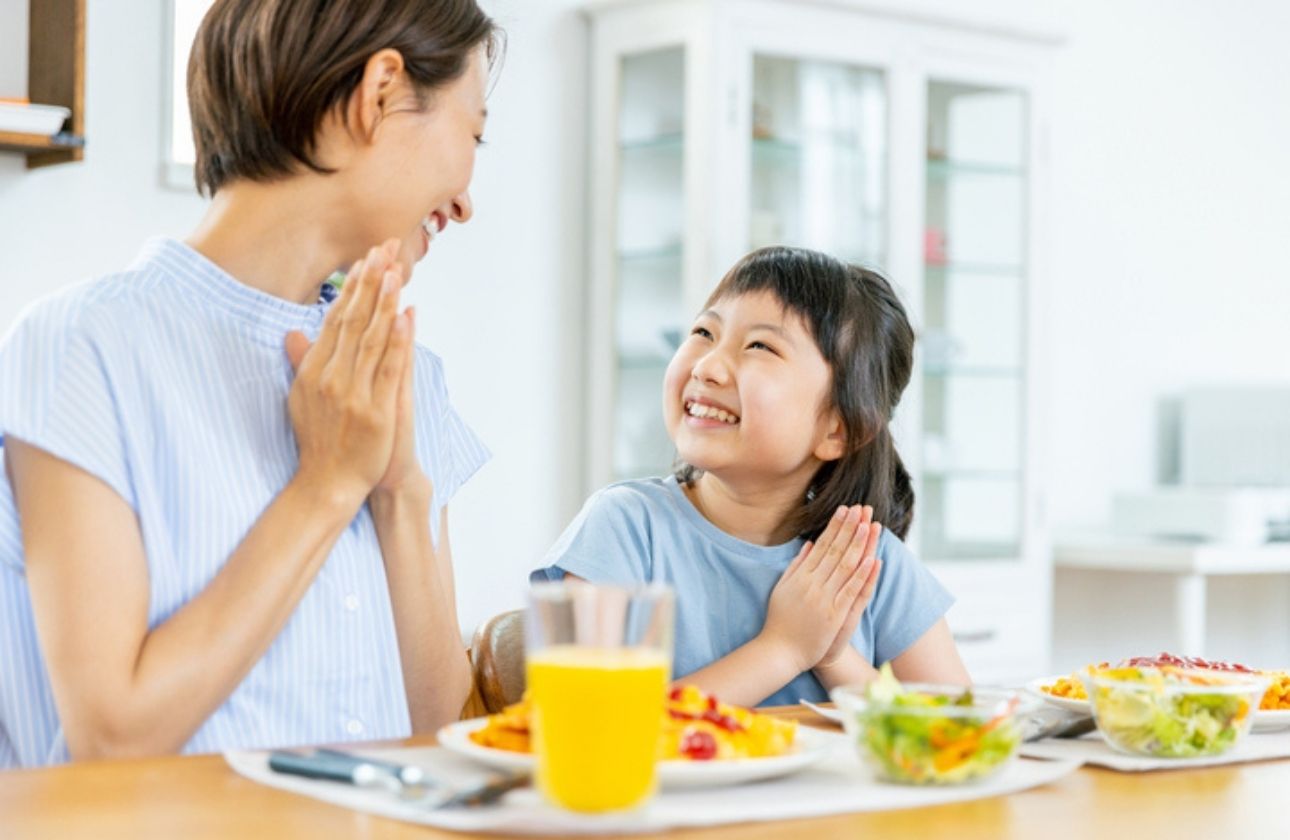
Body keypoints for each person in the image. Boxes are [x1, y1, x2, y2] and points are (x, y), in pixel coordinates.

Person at [0, 0, 500, 768]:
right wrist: (327, 486)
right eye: (474, 132)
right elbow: (113, 737)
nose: (467, 202)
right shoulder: (84, 347)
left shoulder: (404, 374)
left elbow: (433, 725)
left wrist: (398, 490)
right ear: (381, 94)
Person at [533, 247, 970, 707]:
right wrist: (783, 648)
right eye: (704, 332)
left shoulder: (864, 563)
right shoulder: (626, 528)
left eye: (759, 346)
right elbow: (592, 722)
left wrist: (832, 653)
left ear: (838, 429)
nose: (707, 366)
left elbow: (955, 732)